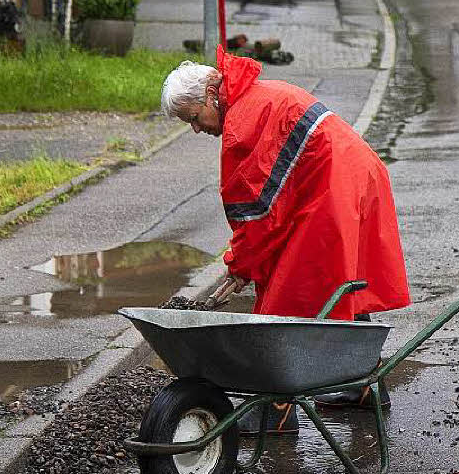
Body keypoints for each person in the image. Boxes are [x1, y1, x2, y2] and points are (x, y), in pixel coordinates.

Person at [160, 47, 411, 427]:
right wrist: (245, 264)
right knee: (342, 284)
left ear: (211, 94)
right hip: (357, 174)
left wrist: (241, 265)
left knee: (285, 294)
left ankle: (275, 409)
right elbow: (273, 205)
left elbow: (256, 215)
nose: (196, 129)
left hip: (335, 186)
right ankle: (363, 385)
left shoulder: (244, 123)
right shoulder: (257, 96)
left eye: (194, 118)